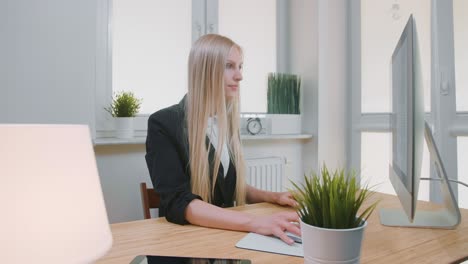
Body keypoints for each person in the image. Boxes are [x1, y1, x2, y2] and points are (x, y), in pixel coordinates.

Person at [145, 34, 300, 244]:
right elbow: (179, 202)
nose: (239, 76)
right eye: (229, 66)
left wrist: (272, 197)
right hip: (186, 247)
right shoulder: (162, 124)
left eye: (240, 66)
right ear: (205, 71)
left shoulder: (225, 122)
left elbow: (228, 184)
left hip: (222, 238)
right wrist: (256, 222)